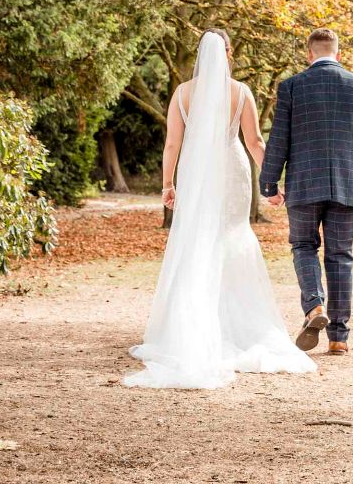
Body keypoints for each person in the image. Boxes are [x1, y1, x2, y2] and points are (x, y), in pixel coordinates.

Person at [122, 29, 316, 389]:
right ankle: (240, 327)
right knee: (233, 236)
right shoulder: (240, 92)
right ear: (227, 53)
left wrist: (168, 184)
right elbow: (255, 141)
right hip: (231, 168)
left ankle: (190, 327)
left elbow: (171, 145)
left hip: (196, 172)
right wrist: (271, 184)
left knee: (199, 241)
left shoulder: (182, 93)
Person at [260, 28, 353, 356]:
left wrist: (269, 183)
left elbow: (279, 139)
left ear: (309, 54)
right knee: (341, 256)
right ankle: (339, 337)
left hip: (304, 183)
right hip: (347, 184)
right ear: (338, 53)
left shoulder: (291, 87)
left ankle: (315, 307)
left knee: (303, 246)